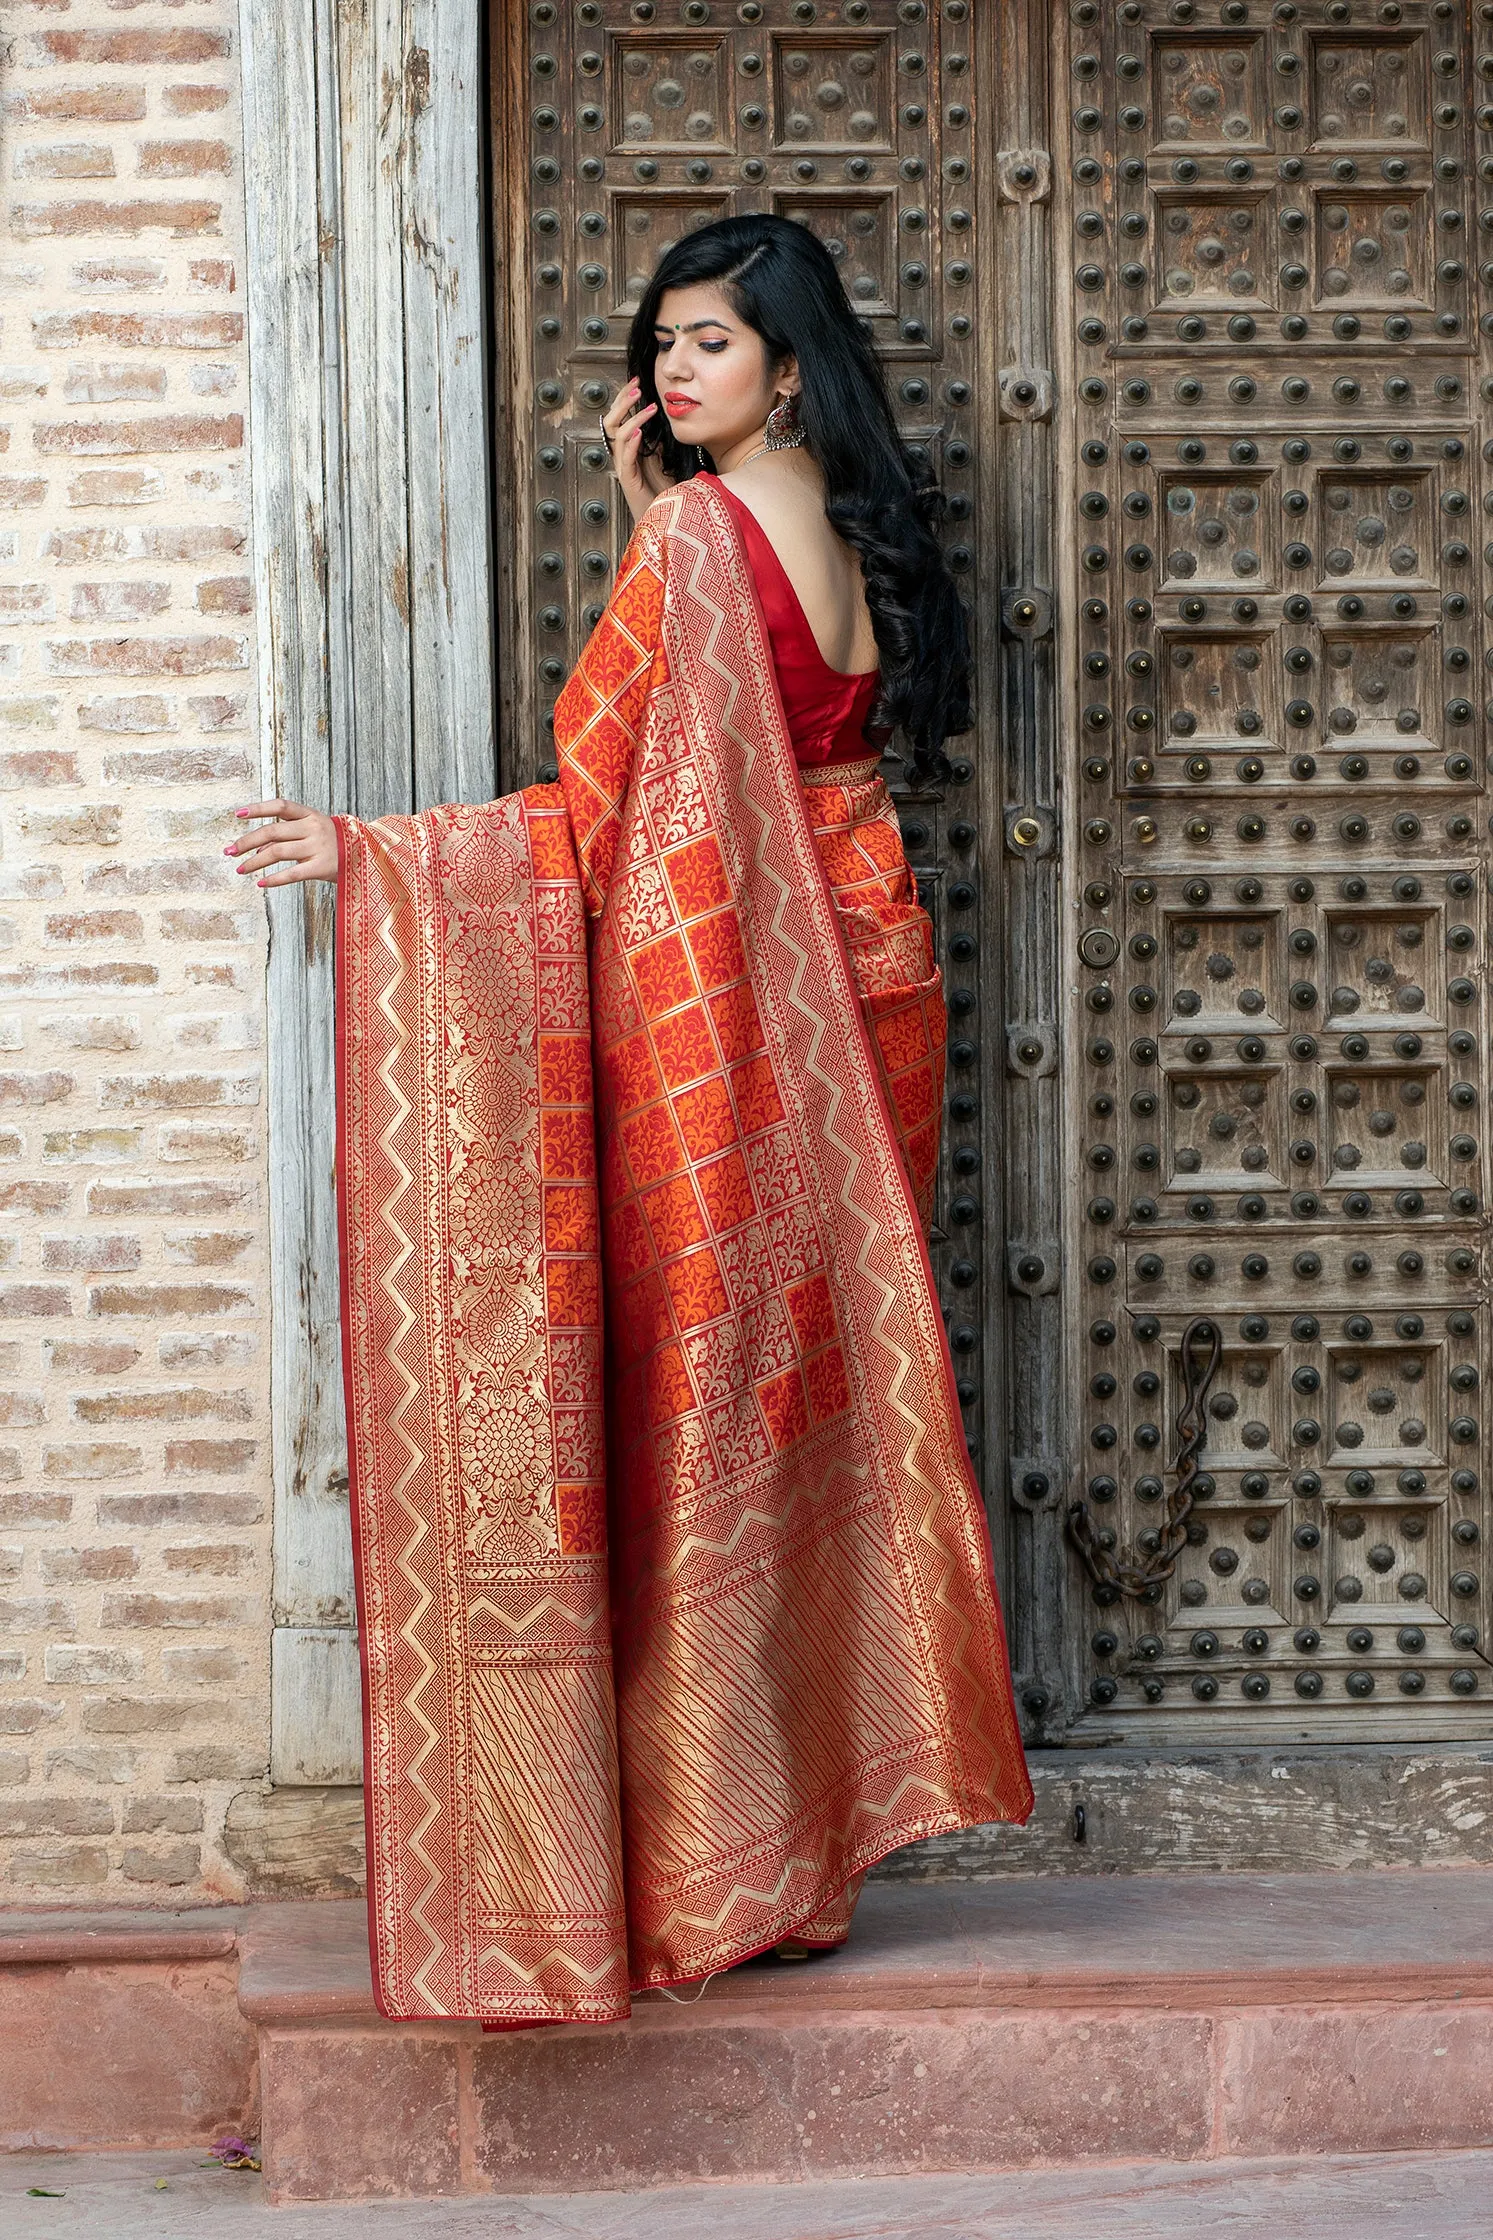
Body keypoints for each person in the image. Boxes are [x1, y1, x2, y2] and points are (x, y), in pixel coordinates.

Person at [228, 213, 1031, 2029]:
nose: (674, 375)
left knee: (701, 1402)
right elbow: (742, 730)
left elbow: (604, 789)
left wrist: (371, 858)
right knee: (799, 1395)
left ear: (789, 365)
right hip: (867, 965)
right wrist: (643, 523)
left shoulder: (690, 536)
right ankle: (808, 1860)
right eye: (663, 346)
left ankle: (712, 1860)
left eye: (710, 349)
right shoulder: (843, 531)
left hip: (733, 1002)